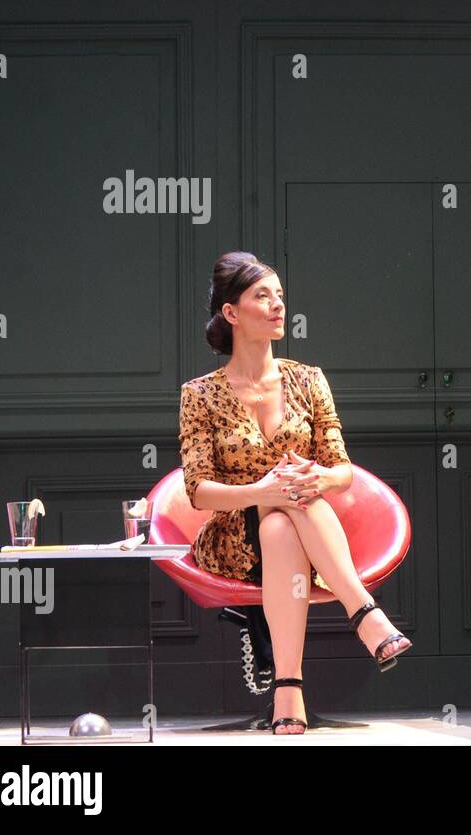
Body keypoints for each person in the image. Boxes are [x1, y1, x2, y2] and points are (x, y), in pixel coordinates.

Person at [178, 251, 411, 735]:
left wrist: (318, 479)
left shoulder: (309, 380)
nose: (278, 305)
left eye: (280, 295)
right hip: (234, 539)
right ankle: (364, 612)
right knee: (281, 503)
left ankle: (289, 687)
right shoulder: (199, 394)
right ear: (231, 313)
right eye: (263, 296)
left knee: (285, 515)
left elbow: (341, 468)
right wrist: (262, 489)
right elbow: (199, 491)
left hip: (301, 527)